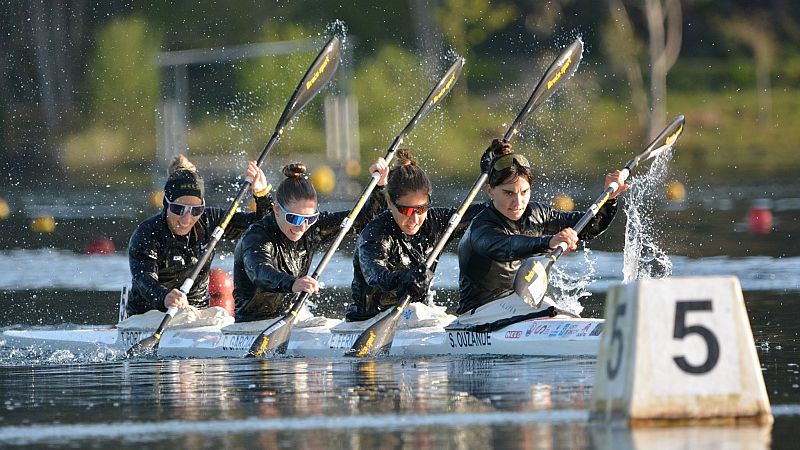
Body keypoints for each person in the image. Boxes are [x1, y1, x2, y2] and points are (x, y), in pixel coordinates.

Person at [456, 139, 629, 321]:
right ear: (490, 191)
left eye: (524, 192)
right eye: (509, 193)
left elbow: (588, 227)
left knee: (562, 315)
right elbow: (508, 246)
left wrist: (609, 199)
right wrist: (548, 242)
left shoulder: (538, 213)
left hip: (519, 304)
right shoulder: (480, 227)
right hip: (478, 315)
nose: (518, 202)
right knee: (549, 312)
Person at [233, 158, 389, 322]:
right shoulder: (256, 236)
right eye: (295, 218)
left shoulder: (312, 228)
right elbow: (260, 272)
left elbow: (364, 220)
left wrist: (379, 186)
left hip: (290, 317)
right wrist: (293, 283)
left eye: (310, 218)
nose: (303, 226)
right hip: (251, 322)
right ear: (277, 209)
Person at [345, 149, 487, 322]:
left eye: (421, 209)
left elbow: (487, 213)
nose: (415, 219)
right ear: (390, 202)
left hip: (415, 316)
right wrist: (405, 277)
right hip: (370, 320)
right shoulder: (375, 233)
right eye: (406, 210)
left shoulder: (436, 221)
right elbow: (376, 276)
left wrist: (495, 176)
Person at [127, 155, 271, 317]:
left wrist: (262, 195)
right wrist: (164, 296)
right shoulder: (147, 233)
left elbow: (263, 225)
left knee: (220, 315)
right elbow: (143, 279)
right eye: (179, 209)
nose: (187, 219)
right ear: (166, 204)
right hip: (149, 315)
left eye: (195, 210)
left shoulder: (211, 221)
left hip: (196, 315)